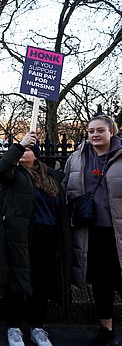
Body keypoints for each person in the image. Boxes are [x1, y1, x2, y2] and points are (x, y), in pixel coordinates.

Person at [0, 131, 71, 346]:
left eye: (28, 150)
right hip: (22, 236)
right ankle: (14, 327)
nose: (24, 152)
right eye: (22, 150)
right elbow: (1, 168)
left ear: (35, 155)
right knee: (17, 283)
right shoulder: (13, 175)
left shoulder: (51, 176)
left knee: (41, 284)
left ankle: (37, 327)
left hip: (48, 237)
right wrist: (19, 145)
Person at [63, 115, 122, 346]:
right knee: (100, 282)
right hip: (90, 232)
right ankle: (106, 330)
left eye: (100, 130)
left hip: (117, 232)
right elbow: (66, 185)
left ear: (111, 132)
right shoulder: (77, 158)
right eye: (90, 131)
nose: (95, 135)